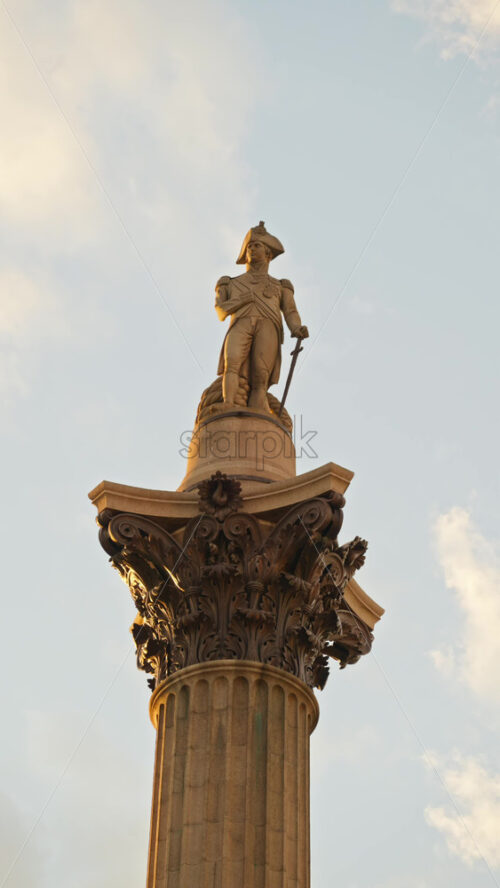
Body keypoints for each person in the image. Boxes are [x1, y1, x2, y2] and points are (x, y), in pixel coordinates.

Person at [215, 221, 309, 412]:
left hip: (268, 325)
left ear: (268, 253)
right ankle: (228, 404)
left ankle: (259, 412)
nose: (251, 249)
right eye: (249, 246)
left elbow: (290, 311)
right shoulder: (230, 283)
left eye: (256, 245)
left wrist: (296, 328)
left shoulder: (281, 286)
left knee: (261, 375)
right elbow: (221, 311)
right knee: (231, 364)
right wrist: (242, 300)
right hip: (241, 322)